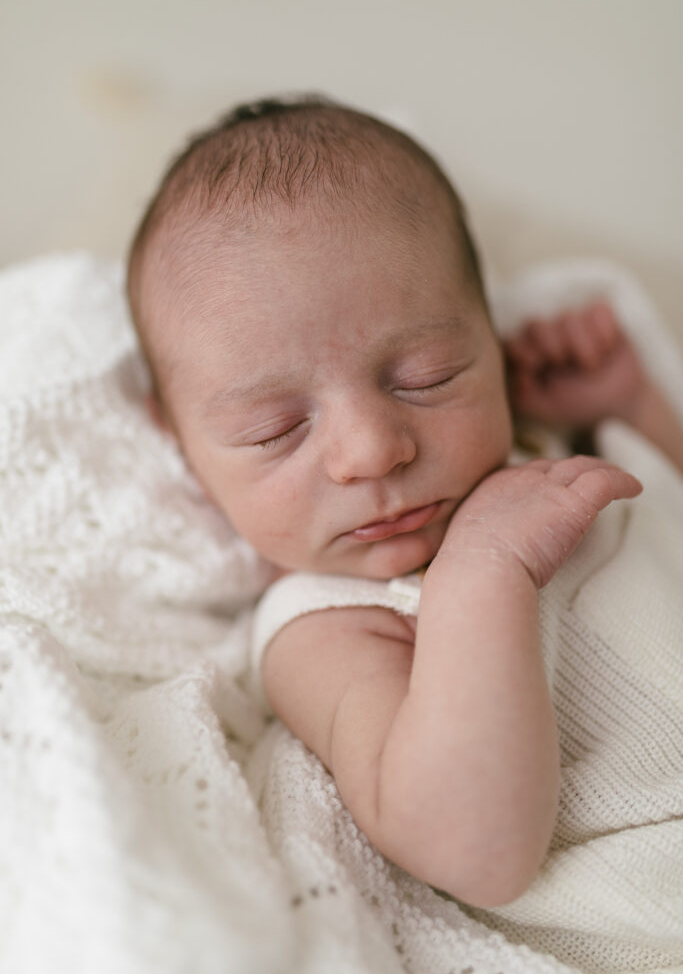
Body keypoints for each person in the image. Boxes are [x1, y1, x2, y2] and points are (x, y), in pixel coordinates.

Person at [125, 96, 683, 915]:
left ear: (489, 338)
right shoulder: (322, 624)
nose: (371, 451)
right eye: (274, 429)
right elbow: (471, 851)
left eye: (425, 376)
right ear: (179, 442)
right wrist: (482, 570)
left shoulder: (547, 449)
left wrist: (631, 411)